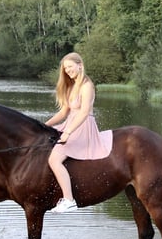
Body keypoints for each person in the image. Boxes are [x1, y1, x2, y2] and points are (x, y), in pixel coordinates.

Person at [44, 52, 113, 213]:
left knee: (54, 159)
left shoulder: (87, 85)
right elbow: (63, 113)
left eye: (70, 66)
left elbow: (83, 112)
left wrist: (67, 133)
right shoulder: (71, 86)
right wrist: (43, 125)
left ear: (80, 65)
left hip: (82, 126)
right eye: (65, 68)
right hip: (70, 124)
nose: (68, 70)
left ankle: (69, 199)